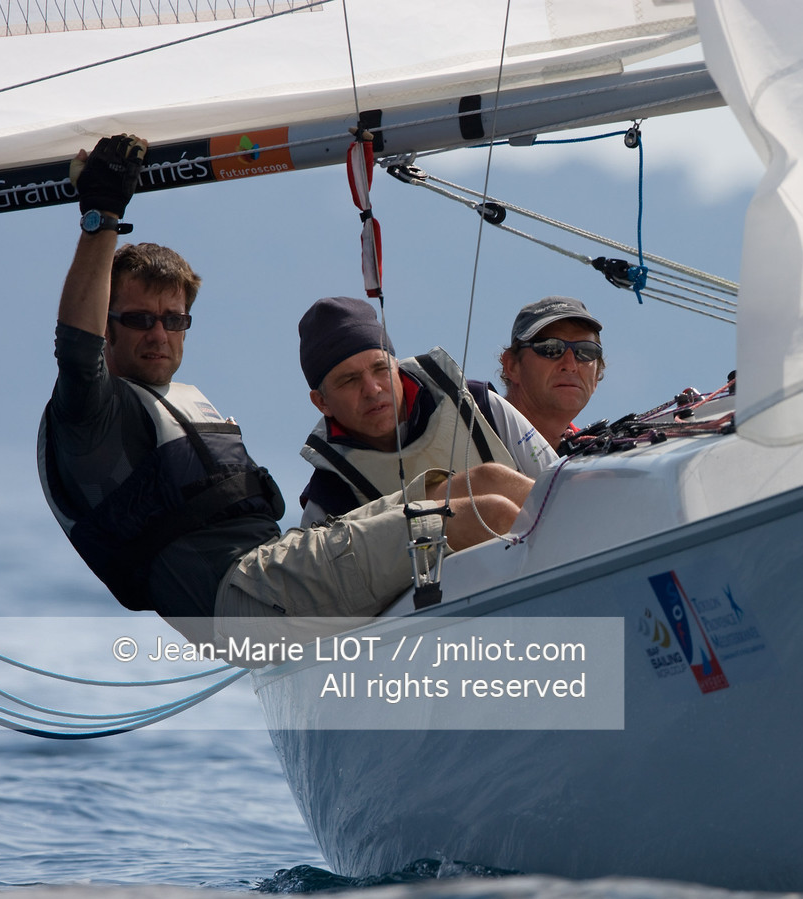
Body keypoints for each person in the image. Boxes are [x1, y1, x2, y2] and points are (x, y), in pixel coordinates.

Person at [39, 134, 516, 646]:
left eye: (174, 320)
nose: (159, 334)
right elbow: (76, 351)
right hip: (247, 597)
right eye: (138, 320)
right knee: (485, 516)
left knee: (489, 480)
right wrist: (102, 215)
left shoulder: (178, 401)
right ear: (107, 328)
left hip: (276, 568)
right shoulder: (93, 416)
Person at [295, 297, 548, 526]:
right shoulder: (328, 496)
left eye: (380, 368)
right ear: (321, 402)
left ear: (396, 365)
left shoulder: (480, 407)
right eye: (349, 380)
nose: (372, 389)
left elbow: (559, 488)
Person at [497, 296, 605, 449]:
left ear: (596, 376)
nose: (570, 365)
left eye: (586, 351)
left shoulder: (600, 459)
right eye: (551, 348)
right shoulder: (464, 427)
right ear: (512, 366)